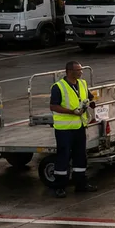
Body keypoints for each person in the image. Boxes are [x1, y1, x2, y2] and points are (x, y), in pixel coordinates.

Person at [48, 61, 97, 198]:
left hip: (80, 126)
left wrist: (92, 103)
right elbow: (53, 106)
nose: (81, 72)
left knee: (80, 156)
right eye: (78, 70)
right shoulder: (58, 87)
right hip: (64, 129)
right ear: (69, 71)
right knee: (63, 156)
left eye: (81, 70)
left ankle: (81, 184)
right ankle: (60, 186)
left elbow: (89, 97)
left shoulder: (82, 83)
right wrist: (71, 112)